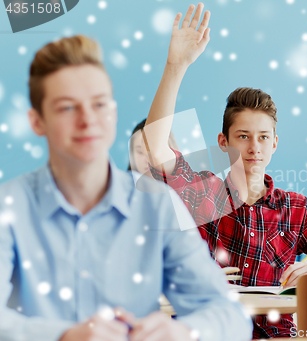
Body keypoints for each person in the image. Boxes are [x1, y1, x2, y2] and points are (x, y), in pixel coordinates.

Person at [0, 34, 252, 341]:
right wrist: (63, 336)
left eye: (99, 104)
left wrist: (183, 331)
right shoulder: (9, 207)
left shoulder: (156, 205)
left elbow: (230, 315)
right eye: (67, 108)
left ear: (114, 112)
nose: (88, 119)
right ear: (37, 122)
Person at [141, 3, 307, 338]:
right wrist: (176, 65)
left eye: (262, 138)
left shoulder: (296, 208)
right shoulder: (204, 192)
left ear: (274, 144)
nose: (253, 147)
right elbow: (156, 148)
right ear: (224, 142)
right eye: (242, 137)